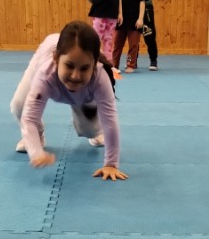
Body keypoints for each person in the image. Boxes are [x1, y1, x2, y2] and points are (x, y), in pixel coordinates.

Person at [10, 20, 128, 182]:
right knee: (19, 106)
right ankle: (39, 135)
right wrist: (36, 151)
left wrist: (111, 164)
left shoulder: (100, 78)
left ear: (94, 65)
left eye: (84, 68)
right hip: (47, 59)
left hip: (84, 92)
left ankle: (92, 130)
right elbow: (29, 118)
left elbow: (110, 120)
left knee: (90, 130)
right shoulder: (45, 74)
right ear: (56, 59)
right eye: (69, 66)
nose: (75, 75)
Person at [112, 0, 147, 73]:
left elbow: (142, 2)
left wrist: (140, 18)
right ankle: (114, 64)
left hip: (134, 20)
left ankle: (130, 64)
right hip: (121, 19)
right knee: (117, 44)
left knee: (133, 45)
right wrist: (117, 14)